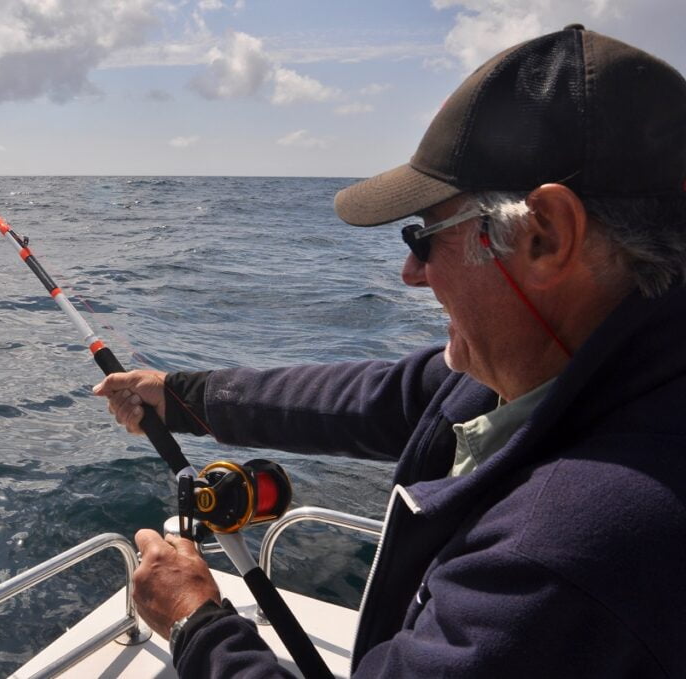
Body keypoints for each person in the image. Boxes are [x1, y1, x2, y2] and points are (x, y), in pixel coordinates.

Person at [93, 24, 686, 678]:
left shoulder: (563, 557)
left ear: (545, 236)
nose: (410, 271)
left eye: (425, 234)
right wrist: (176, 396)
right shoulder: (581, 362)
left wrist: (194, 619)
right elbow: (383, 397)